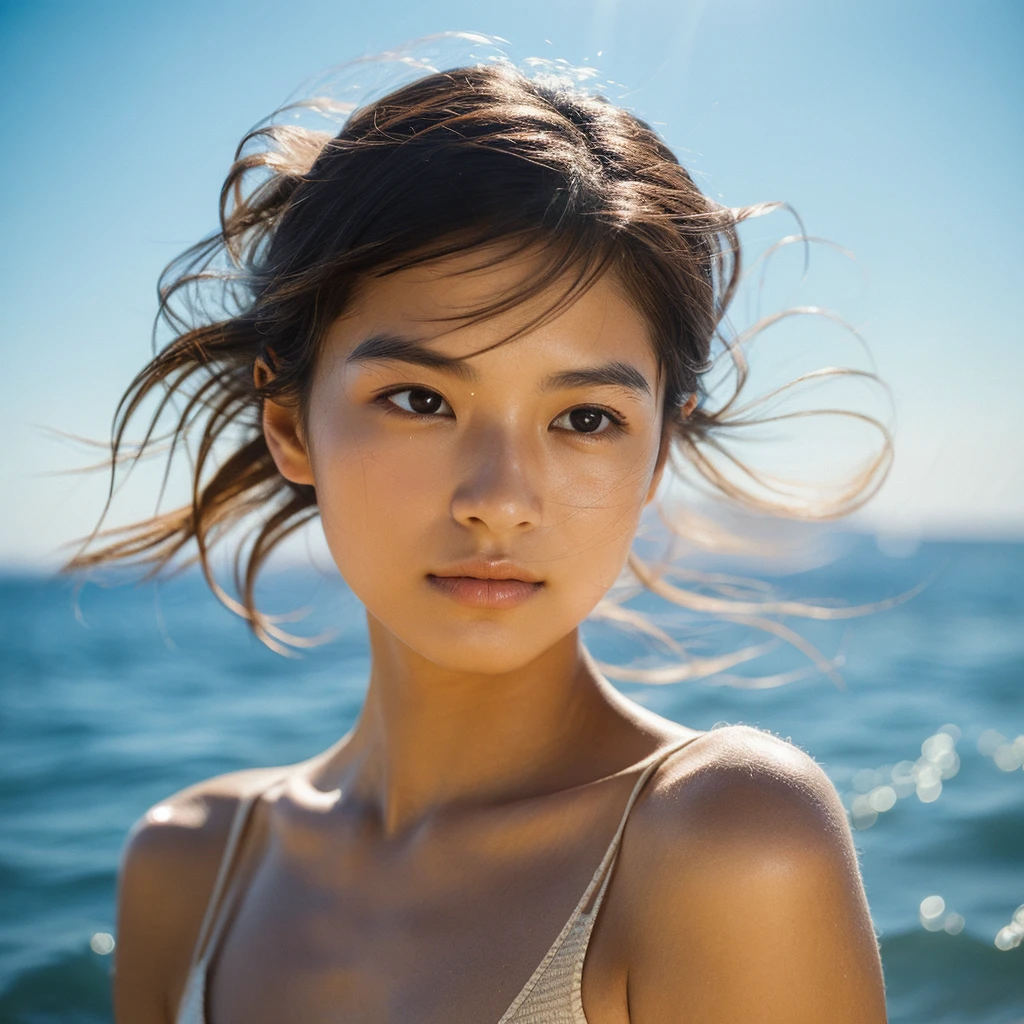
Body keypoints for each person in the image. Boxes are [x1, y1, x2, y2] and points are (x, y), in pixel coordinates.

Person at [71, 55, 889, 1023]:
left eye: (584, 418)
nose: (499, 501)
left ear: (656, 452)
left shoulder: (727, 845)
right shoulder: (186, 872)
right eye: (420, 399)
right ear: (289, 422)